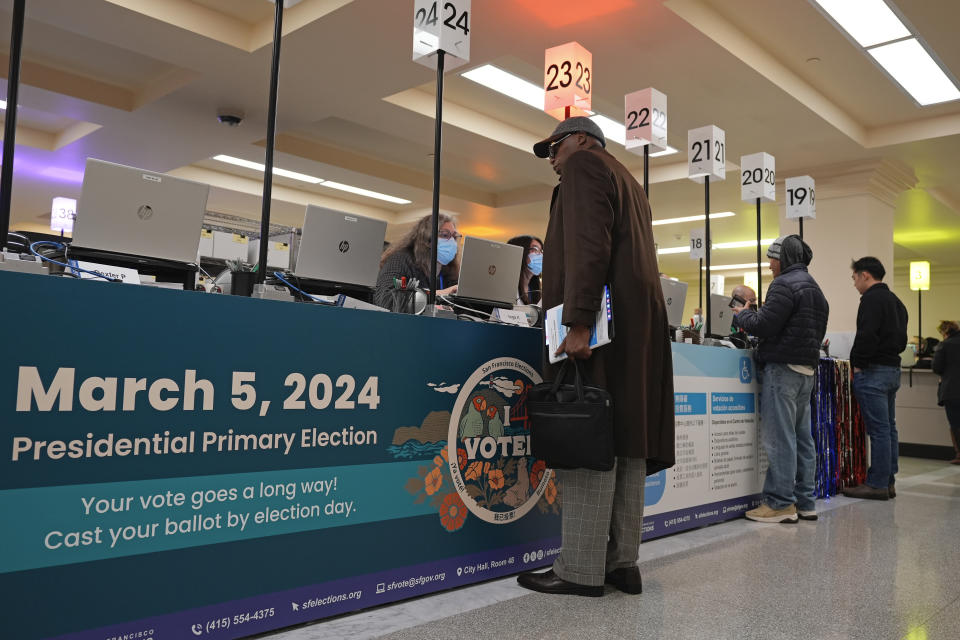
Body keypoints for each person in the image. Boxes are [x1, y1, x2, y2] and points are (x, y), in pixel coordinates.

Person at [516, 116, 675, 598]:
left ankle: (579, 568)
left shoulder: (585, 165)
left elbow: (589, 246)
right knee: (625, 442)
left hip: (599, 331)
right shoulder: (629, 180)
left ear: (582, 140)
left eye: (554, 149)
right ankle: (622, 563)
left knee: (585, 437)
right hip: (635, 331)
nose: (553, 162)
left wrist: (579, 320)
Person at [731, 235, 829, 523]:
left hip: (782, 370)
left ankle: (780, 503)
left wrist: (742, 316)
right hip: (806, 371)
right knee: (802, 438)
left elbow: (764, 325)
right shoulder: (816, 288)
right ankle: (805, 501)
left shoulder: (784, 284)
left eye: (771, 259)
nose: (769, 265)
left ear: (782, 258)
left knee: (780, 439)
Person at [843, 256, 908, 500]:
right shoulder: (895, 301)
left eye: (854, 277)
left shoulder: (871, 300)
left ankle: (877, 483)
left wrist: (858, 364)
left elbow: (866, 336)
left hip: (872, 371)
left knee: (879, 430)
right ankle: (889, 480)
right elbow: (902, 340)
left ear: (865, 275)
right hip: (892, 369)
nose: (854, 283)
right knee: (889, 428)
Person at [373, 213, 459, 310]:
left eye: (455, 237)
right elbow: (386, 299)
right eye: (445, 235)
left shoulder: (449, 272)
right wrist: (439, 294)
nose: (452, 241)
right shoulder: (400, 260)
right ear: (427, 238)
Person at [933, 320, 960, 465]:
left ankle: (959, 454)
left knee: (955, 423)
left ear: (944, 333)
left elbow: (936, 367)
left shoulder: (945, 345)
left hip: (952, 391)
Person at [506, 235, 543, 305]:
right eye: (535, 249)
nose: (540, 255)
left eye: (541, 251)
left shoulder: (535, 290)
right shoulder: (507, 287)